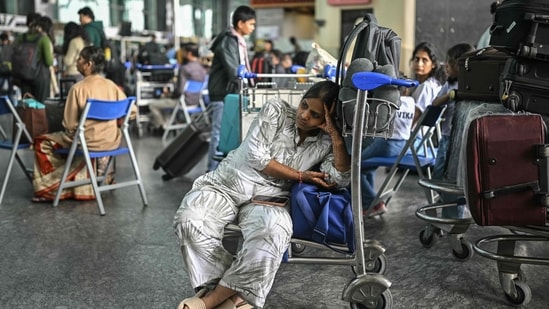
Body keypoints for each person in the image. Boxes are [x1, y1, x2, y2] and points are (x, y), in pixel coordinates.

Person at [174, 80, 350, 309]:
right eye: (304, 105)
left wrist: (336, 137)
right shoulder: (276, 110)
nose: (304, 115)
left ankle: (209, 301)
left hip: (271, 199)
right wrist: (300, 175)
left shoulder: (326, 141)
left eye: (315, 114)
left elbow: (337, 178)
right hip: (226, 184)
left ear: (326, 120)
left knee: (272, 233)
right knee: (189, 219)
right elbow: (255, 156)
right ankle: (235, 297)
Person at [32, 46, 133, 203]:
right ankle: (87, 182)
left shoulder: (78, 89)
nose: (76, 62)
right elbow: (132, 111)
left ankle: (53, 189)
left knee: (42, 142)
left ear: (89, 64)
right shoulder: (111, 86)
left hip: (88, 143)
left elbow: (69, 124)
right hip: (112, 142)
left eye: (79, 59)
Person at [207, 5, 256, 172]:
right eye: (251, 24)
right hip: (222, 92)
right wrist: (243, 77)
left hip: (229, 92)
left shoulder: (237, 41)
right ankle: (211, 173)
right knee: (219, 133)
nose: (252, 28)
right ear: (240, 23)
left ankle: (222, 171)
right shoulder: (228, 41)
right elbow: (233, 70)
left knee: (228, 132)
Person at [430, 42, 475, 218]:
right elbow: (434, 103)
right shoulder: (450, 85)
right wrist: (450, 96)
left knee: (454, 180)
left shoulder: (472, 86)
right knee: (438, 175)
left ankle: (452, 220)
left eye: (449, 63)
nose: (446, 66)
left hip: (462, 141)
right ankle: (446, 202)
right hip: (447, 138)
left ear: (460, 64)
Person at [360, 85, 416, 218]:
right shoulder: (411, 101)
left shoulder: (389, 101)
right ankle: (368, 203)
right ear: (406, 90)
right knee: (368, 168)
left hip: (387, 144)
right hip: (404, 145)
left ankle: (374, 204)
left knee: (353, 167)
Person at [148, 42, 208, 133]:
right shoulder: (203, 69)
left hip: (183, 102)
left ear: (189, 54)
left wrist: (169, 94)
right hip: (196, 101)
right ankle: (166, 124)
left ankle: (161, 126)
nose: (181, 54)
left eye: (183, 52)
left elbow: (180, 91)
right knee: (164, 100)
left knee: (153, 104)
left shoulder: (184, 69)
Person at [12, 15, 53, 103]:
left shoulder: (21, 38)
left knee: (27, 104)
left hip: (24, 75)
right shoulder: (43, 39)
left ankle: (28, 117)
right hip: (40, 77)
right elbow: (49, 62)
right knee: (41, 105)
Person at [408, 41, 446, 125]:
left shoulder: (427, 87)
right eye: (417, 59)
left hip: (415, 136)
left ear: (433, 64)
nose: (419, 64)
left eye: (424, 60)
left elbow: (415, 114)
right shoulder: (434, 83)